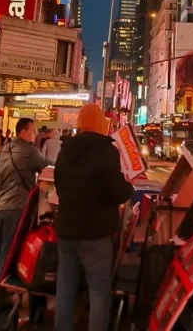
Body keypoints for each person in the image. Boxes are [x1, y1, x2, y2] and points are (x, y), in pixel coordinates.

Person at [54, 103, 133, 331]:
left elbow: (59, 185)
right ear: (100, 123)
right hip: (96, 234)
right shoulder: (107, 151)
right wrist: (128, 186)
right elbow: (117, 192)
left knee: (65, 289)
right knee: (98, 291)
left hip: (66, 230)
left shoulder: (65, 150)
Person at [0, 117, 46, 305]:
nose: (34, 134)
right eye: (32, 130)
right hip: (16, 207)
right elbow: (48, 166)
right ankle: (0, 296)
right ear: (23, 132)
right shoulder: (30, 152)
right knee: (7, 252)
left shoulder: (2, 149)